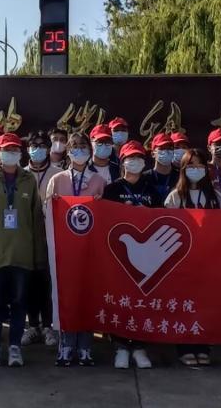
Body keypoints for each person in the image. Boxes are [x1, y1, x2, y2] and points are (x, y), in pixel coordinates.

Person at [0, 133, 47, 367]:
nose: (11, 153)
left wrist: (38, 255)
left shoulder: (29, 180)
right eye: (7, 150)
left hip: (22, 253)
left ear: (21, 153)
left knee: (19, 302)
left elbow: (36, 219)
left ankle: (15, 345)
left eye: (15, 150)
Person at [44, 131, 107, 366]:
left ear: (89, 150)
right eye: (74, 147)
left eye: (83, 146)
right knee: (66, 295)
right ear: (68, 151)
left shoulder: (99, 181)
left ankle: (85, 345)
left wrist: (100, 205)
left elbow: (105, 217)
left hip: (90, 249)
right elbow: (47, 213)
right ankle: (66, 344)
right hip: (64, 250)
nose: (79, 151)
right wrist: (52, 203)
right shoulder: (57, 179)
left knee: (87, 295)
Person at [102, 140, 164, 369]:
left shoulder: (151, 190)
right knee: (120, 299)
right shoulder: (112, 190)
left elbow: (162, 218)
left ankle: (139, 346)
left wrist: (147, 214)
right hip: (118, 255)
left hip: (147, 256)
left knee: (141, 300)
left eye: (139, 158)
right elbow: (103, 220)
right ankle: (120, 345)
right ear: (122, 162)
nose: (135, 162)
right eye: (130, 158)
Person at [164, 148, 221, 366]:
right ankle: (185, 347)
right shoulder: (175, 197)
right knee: (184, 304)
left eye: (200, 165)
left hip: (208, 261)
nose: (196, 169)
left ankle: (203, 345)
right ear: (183, 169)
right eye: (191, 165)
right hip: (182, 261)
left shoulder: (215, 197)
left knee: (205, 304)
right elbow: (166, 226)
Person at [22, 130, 64, 348]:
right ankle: (32, 326)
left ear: (48, 149)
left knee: (47, 283)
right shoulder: (21, 174)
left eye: (42, 145)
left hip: (51, 238)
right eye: (34, 145)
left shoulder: (59, 175)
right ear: (27, 148)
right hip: (26, 238)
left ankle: (48, 326)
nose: (38, 149)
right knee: (29, 283)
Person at [143, 132, 179, 202]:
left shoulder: (180, 178)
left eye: (170, 148)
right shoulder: (144, 178)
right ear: (153, 154)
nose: (166, 151)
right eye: (162, 148)